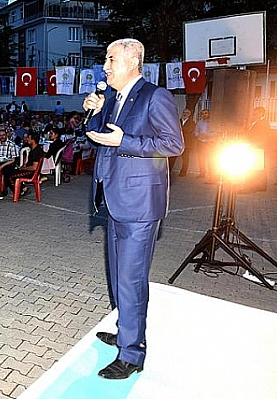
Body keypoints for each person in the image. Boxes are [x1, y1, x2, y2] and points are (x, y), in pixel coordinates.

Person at [83, 38, 183, 379]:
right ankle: (126, 331)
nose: (106, 65)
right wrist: (95, 113)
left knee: (131, 279)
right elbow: (98, 137)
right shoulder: (113, 98)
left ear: (132, 62)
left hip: (140, 205)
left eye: (111, 59)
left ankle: (132, 354)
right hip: (114, 199)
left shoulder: (156, 96)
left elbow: (173, 144)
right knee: (117, 277)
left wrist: (124, 141)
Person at [194, 109, 218, 181]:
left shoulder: (213, 123)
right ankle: (202, 173)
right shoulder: (199, 123)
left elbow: (216, 132)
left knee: (211, 160)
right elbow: (196, 131)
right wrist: (199, 135)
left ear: (209, 114)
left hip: (210, 143)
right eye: (203, 113)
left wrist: (208, 135)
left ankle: (212, 175)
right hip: (201, 142)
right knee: (201, 158)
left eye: (206, 113)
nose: (204, 115)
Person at [175, 109, 196, 176]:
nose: (185, 114)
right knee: (173, 157)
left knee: (185, 158)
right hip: (178, 142)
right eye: (184, 112)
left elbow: (189, 130)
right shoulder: (178, 121)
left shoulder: (192, 122)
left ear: (189, 115)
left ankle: (183, 172)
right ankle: (169, 170)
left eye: (187, 113)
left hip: (187, 143)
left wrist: (180, 130)